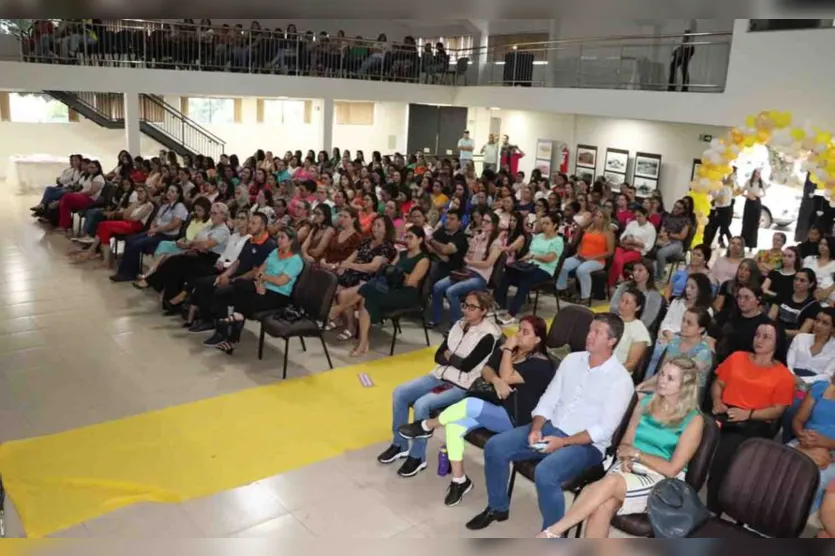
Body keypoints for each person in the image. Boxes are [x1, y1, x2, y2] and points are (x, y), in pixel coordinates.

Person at [465, 313, 634, 532]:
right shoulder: (572, 361)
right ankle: (498, 507)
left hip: (585, 445)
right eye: (590, 329)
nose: (589, 335)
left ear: (612, 341)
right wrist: (536, 427)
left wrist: (562, 442)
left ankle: (552, 535)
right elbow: (549, 398)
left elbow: (603, 430)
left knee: (546, 473)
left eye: (597, 332)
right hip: (549, 428)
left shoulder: (620, 380)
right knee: (495, 447)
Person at [539, 356, 704, 538]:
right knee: (601, 507)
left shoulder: (694, 420)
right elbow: (625, 444)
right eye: (662, 374)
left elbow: (672, 469)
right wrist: (626, 457)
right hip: (629, 464)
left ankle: (553, 532)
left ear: (685, 387)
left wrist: (636, 454)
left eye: (670, 378)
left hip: (660, 479)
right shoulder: (645, 403)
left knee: (609, 482)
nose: (662, 380)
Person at [399, 315, 554, 506]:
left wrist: (506, 350)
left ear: (537, 340)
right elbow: (486, 370)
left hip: (515, 419)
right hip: (492, 407)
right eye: (519, 329)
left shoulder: (541, 364)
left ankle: (427, 425)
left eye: (525, 332)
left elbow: (506, 375)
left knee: (470, 404)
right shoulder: (512, 352)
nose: (518, 335)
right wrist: (496, 380)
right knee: (454, 426)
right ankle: (459, 481)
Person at [377, 290, 501, 478]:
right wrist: (453, 358)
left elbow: (467, 367)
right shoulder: (459, 325)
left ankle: (417, 457)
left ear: (483, 311)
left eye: (472, 307)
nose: (466, 310)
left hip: (460, 385)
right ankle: (399, 444)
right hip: (439, 374)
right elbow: (438, 356)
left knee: (422, 404)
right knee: (400, 392)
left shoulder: (488, 335)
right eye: (465, 305)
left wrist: (450, 356)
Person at [707, 321, 794, 514]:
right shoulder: (737, 357)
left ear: (777, 343)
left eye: (766, 336)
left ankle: (713, 510)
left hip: (754, 421)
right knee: (695, 430)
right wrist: (716, 400)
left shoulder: (783, 375)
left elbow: (778, 410)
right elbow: (718, 383)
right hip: (725, 411)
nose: (759, 340)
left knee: (725, 452)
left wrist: (749, 413)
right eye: (757, 335)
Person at [208, 227, 305, 355]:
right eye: (278, 237)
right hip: (263, 286)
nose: (278, 240)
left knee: (240, 298)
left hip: (278, 294)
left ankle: (233, 333)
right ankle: (235, 319)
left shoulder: (296, 260)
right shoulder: (276, 252)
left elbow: (281, 281)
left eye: (282, 237)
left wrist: (263, 278)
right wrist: (260, 283)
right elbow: (260, 270)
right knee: (239, 284)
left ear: (291, 241)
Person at [349, 226, 431, 357]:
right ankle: (363, 342)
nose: (407, 240)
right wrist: (396, 274)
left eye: (411, 237)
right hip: (392, 287)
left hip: (407, 294)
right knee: (367, 297)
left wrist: (398, 274)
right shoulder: (402, 253)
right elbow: (388, 270)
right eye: (406, 237)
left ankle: (340, 310)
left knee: (368, 290)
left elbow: (411, 282)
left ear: (420, 240)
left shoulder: (423, 259)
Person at [187, 213, 276, 333]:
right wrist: (225, 275)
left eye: (254, 223)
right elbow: (238, 262)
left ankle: (222, 328)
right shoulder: (250, 240)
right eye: (250, 222)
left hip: (248, 282)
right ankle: (207, 320)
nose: (250, 226)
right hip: (236, 276)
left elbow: (255, 272)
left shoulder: (268, 245)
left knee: (221, 290)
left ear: (263, 226)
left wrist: (231, 280)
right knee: (203, 283)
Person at [145, 203, 232, 308]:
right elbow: (197, 241)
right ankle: (168, 298)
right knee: (174, 263)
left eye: (215, 213)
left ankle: (152, 282)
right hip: (199, 254)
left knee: (176, 262)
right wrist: (194, 244)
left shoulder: (223, 230)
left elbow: (206, 245)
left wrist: (194, 243)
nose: (212, 216)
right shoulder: (208, 227)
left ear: (223, 215)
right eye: (211, 213)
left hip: (212, 260)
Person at [325, 216, 397, 341]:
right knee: (332, 284)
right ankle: (339, 319)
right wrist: (343, 265)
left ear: (387, 229)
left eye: (379, 225)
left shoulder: (387, 247)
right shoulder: (365, 241)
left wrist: (351, 265)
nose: (375, 228)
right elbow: (352, 256)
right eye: (374, 224)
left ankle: (351, 326)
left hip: (371, 278)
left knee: (343, 293)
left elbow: (373, 267)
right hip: (354, 274)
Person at [431, 212, 504, 327]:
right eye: (483, 220)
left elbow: (487, 263)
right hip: (466, 272)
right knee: (437, 287)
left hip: (480, 277)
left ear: (493, 225)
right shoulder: (478, 237)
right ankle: (436, 318)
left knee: (451, 291)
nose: (483, 223)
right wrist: (471, 250)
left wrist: (470, 262)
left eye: (487, 221)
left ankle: (458, 325)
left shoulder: (496, 243)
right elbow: (467, 255)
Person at [110, 184, 189, 282]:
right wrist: (152, 229)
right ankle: (128, 271)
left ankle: (128, 274)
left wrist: (156, 230)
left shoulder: (180, 207)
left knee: (136, 243)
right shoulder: (165, 205)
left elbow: (173, 225)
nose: (169, 192)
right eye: (169, 190)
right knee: (130, 239)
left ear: (178, 195)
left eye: (173, 191)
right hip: (156, 232)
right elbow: (155, 220)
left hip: (167, 236)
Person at [496, 213, 563, 326]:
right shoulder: (538, 237)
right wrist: (519, 262)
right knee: (507, 274)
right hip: (529, 265)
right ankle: (500, 305)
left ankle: (511, 315)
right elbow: (529, 253)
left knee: (525, 280)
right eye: (543, 223)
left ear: (555, 225)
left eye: (547, 223)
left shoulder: (558, 241)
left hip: (545, 270)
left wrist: (534, 257)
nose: (544, 226)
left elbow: (549, 258)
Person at [645, 273, 714, 380]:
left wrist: (675, 338)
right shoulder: (677, 302)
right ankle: (649, 380)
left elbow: (701, 333)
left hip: (686, 340)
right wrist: (667, 334)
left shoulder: (706, 310)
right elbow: (666, 322)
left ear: (701, 290)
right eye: (687, 286)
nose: (688, 290)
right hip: (667, 336)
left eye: (692, 287)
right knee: (656, 351)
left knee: (668, 354)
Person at [69, 184, 155, 268]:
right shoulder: (136, 203)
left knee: (103, 226)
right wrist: (132, 211)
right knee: (103, 227)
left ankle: (94, 252)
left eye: (141, 191)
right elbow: (125, 214)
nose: (139, 194)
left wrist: (128, 216)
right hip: (128, 222)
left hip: (136, 226)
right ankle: (99, 255)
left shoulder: (149, 205)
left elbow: (136, 218)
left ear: (146, 193)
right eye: (137, 192)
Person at [790, 374, 835, 517]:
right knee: (776, 467)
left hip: (832, 454)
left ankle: (788, 523)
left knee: (811, 482)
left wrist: (823, 444)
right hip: (804, 442)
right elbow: (798, 419)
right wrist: (801, 435)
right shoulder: (820, 388)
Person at [639, 307, 713, 391]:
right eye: (683, 320)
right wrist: (644, 385)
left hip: (686, 393)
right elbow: (662, 372)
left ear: (701, 329)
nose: (684, 325)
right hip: (666, 386)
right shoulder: (675, 343)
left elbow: (685, 381)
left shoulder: (703, 352)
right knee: (638, 392)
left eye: (689, 323)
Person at [556, 209, 614, 304]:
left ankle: (585, 296)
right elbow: (582, 243)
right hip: (582, 256)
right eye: (596, 216)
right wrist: (578, 253)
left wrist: (592, 258)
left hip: (597, 260)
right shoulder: (589, 229)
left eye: (601, 217)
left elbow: (610, 252)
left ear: (605, 220)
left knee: (582, 270)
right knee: (565, 264)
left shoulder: (608, 233)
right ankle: (561, 288)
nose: (597, 219)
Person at [716, 284, 772, 360]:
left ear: (758, 300)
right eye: (739, 297)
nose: (742, 301)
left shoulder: (766, 325)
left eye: (747, 297)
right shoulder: (729, 317)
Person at [609, 206, 657, 288]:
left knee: (617, 260)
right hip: (625, 247)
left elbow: (648, 247)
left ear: (645, 215)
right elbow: (622, 237)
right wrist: (627, 240)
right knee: (618, 252)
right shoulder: (632, 224)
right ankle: (619, 277)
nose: (637, 218)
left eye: (639, 216)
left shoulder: (651, 229)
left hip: (637, 251)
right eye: (636, 216)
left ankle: (611, 284)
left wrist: (636, 242)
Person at [609, 259, 664, 329]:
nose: (636, 273)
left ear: (648, 274)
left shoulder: (654, 295)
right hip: (618, 324)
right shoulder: (624, 286)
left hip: (639, 329)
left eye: (640, 270)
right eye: (634, 270)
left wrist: (629, 325)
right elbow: (613, 307)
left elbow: (646, 321)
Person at [768, 268, 820, 338]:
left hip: (794, 339)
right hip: (773, 333)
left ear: (811, 284)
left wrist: (779, 331)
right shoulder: (783, 293)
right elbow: (771, 317)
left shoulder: (813, 305)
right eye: (796, 279)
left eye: (802, 280)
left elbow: (802, 332)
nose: (797, 283)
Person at [613, 288, 652, 375]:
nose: (621, 305)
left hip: (618, 373)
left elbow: (630, 365)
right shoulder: (612, 320)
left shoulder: (639, 331)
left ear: (637, 307)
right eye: (622, 300)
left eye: (627, 302)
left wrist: (608, 372)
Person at [712, 258, 762, 326]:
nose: (742, 272)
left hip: (744, 321)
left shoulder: (756, 290)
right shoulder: (728, 284)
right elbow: (717, 306)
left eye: (747, 270)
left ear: (752, 273)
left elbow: (758, 312)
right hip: (724, 319)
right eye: (741, 268)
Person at [426, 209, 469, 282]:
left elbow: (445, 250)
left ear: (459, 223)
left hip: (449, 270)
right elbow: (426, 241)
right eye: (446, 218)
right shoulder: (441, 230)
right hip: (435, 261)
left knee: (431, 267)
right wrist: (438, 253)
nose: (447, 221)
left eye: (452, 219)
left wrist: (432, 241)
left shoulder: (460, 237)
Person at [653, 200, 692, 280]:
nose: (676, 209)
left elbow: (682, 236)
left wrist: (669, 234)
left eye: (679, 208)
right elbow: (661, 231)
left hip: (677, 244)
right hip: (664, 240)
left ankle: (659, 278)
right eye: (675, 206)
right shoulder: (668, 217)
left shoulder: (686, 220)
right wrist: (664, 235)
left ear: (683, 210)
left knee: (661, 253)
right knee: (650, 249)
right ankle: (678, 257)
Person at [740, 169, 765, 251]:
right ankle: (743, 243)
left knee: (754, 224)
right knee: (746, 223)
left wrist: (757, 195)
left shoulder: (761, 183)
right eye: (756, 173)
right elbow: (742, 192)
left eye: (759, 173)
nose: (757, 175)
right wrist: (748, 195)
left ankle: (751, 245)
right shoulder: (748, 182)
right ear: (753, 173)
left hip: (757, 203)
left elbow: (764, 194)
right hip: (749, 203)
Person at [804, 236, 835, 302]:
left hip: (827, 296)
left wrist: (826, 291)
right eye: (821, 243)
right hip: (806, 292)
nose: (822, 246)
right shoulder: (809, 259)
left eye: (825, 244)